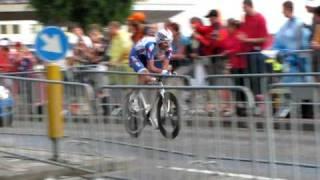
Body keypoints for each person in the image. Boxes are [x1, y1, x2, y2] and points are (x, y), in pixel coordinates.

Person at [273, 1, 311, 83]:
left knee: (300, 85)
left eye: (283, 9)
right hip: (290, 63)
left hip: (298, 63)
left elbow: (302, 43)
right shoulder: (286, 26)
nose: (282, 12)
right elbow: (279, 41)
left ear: (288, 9)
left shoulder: (297, 24)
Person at [239, 0, 269, 96]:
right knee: (251, 79)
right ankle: (255, 100)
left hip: (258, 53)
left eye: (244, 8)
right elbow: (244, 32)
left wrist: (247, 40)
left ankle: (261, 99)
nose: (243, 10)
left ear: (249, 6)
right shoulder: (245, 18)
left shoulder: (260, 18)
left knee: (258, 78)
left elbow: (264, 39)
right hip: (248, 53)